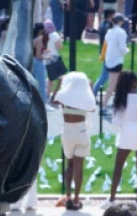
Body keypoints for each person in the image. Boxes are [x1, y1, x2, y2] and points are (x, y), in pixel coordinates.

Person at [102, 71, 137, 209]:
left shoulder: (120, 99)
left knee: (118, 167)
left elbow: (116, 123)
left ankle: (112, 199)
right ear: (135, 83)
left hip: (126, 136)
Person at [51, 72, 96, 211]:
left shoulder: (65, 98)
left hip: (68, 133)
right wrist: (90, 87)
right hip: (81, 132)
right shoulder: (84, 99)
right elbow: (93, 106)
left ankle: (68, 196)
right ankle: (77, 198)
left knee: (69, 165)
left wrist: (59, 84)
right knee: (79, 167)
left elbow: (53, 100)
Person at [102, 13, 129, 108]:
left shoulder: (109, 31)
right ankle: (104, 106)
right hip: (116, 61)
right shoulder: (121, 32)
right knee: (112, 86)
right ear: (120, 21)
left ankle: (117, 103)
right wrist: (127, 50)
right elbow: (122, 48)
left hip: (109, 60)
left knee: (117, 84)